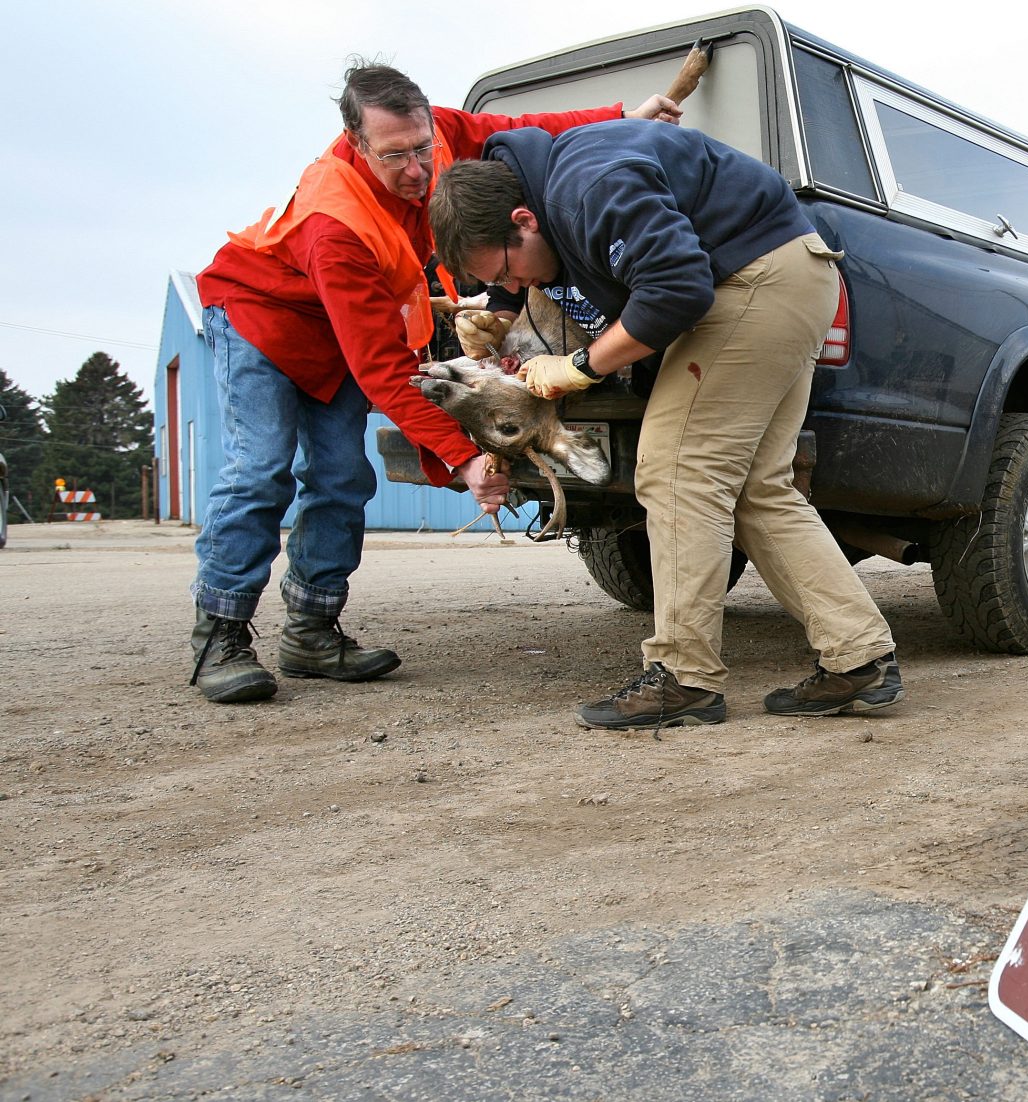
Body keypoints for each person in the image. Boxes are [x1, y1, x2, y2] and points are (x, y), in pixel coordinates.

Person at [187, 61, 682, 704]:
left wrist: (621, 117)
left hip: (341, 329)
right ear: (355, 143)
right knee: (260, 470)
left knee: (342, 476)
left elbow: (520, 126)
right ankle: (220, 634)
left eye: (422, 148)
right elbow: (384, 371)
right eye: (395, 156)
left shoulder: (438, 134)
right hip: (262, 320)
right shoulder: (334, 225)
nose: (418, 171)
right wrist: (464, 457)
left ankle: (311, 630)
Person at [429, 120, 902, 730]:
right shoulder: (552, 197)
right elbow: (600, 278)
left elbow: (677, 289)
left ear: (523, 219)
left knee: (677, 472)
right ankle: (858, 658)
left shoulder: (589, 185)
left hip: (752, 280)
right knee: (759, 486)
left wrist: (579, 368)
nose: (517, 288)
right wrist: (500, 315)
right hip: (791, 275)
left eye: (509, 274)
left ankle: (684, 678)